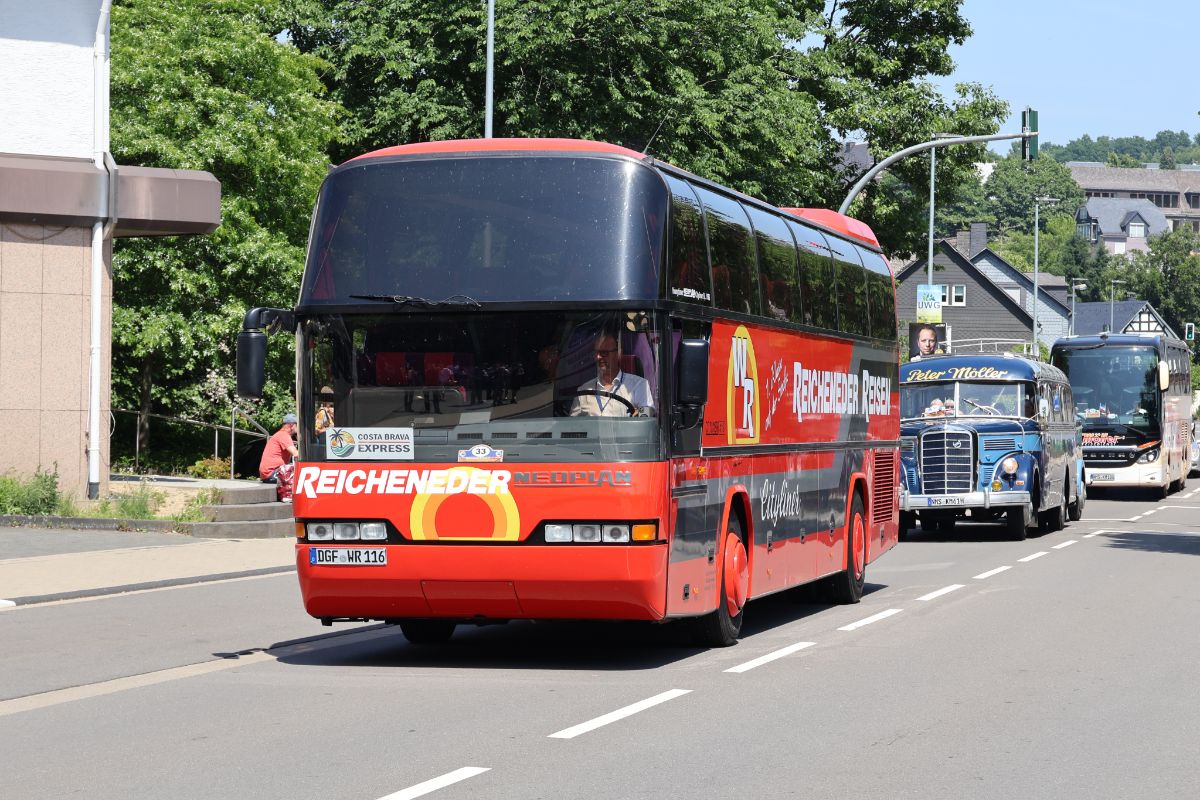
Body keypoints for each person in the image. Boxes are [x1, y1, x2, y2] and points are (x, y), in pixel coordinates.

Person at [569, 331, 654, 417]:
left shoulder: (638, 384)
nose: (598, 357)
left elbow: (647, 414)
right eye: (596, 353)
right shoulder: (583, 391)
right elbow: (573, 425)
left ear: (618, 354)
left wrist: (639, 415)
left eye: (604, 353)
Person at [259, 413, 299, 502]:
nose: (298, 428)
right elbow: (296, 454)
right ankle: (288, 496)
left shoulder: (279, 435)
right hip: (271, 474)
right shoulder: (284, 435)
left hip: (269, 473)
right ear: (292, 425)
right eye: (298, 425)